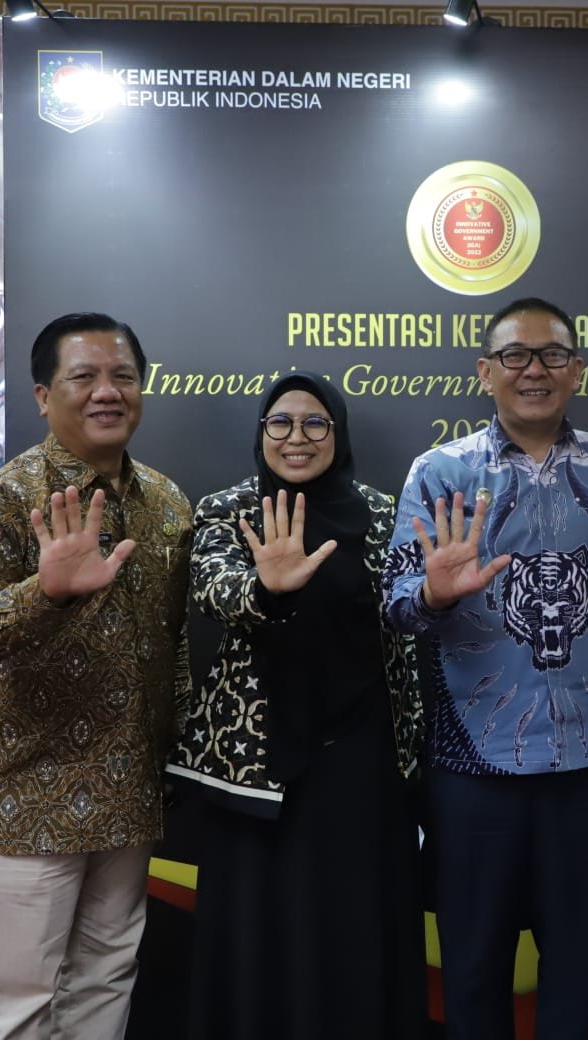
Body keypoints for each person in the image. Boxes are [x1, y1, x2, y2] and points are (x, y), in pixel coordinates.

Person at [383, 297, 588, 1040]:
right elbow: (397, 606)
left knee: (577, 965)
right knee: (472, 968)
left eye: (552, 355)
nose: (534, 370)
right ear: (485, 371)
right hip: (472, 763)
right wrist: (434, 594)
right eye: (514, 356)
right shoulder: (440, 471)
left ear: (578, 370)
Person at [0, 312, 192, 1040]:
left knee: (106, 976)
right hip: (31, 790)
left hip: (130, 787)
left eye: (123, 376)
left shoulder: (166, 502)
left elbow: (174, 647)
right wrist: (44, 594)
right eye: (84, 377)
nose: (107, 391)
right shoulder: (4, 501)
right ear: (42, 396)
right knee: (16, 996)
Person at [167, 372, 426, 1040]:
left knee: (357, 922)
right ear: (261, 433)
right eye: (280, 422)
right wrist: (267, 589)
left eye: (316, 422)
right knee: (261, 930)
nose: (297, 437)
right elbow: (213, 590)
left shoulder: (382, 511)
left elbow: (404, 612)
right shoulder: (229, 507)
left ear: (338, 434)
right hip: (260, 761)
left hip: (365, 757)